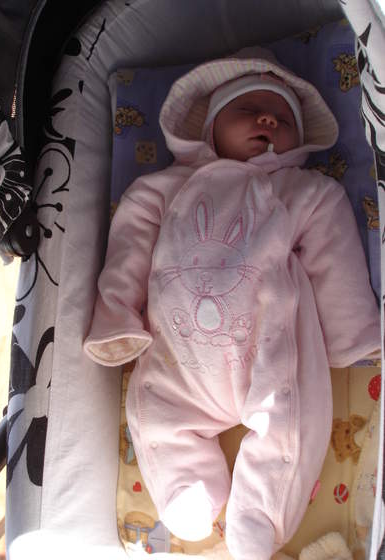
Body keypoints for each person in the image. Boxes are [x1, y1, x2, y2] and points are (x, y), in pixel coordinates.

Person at [84, 47, 381, 559]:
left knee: (291, 418)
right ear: (208, 128)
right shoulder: (162, 190)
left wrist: (348, 331)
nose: (268, 120)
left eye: (283, 118)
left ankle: (259, 513)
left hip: (266, 351)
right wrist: (117, 312)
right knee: (155, 411)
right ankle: (186, 487)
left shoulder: (298, 190)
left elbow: (334, 245)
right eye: (249, 109)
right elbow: (129, 244)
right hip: (181, 359)